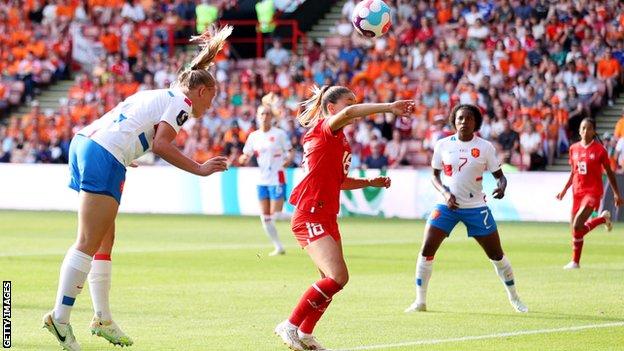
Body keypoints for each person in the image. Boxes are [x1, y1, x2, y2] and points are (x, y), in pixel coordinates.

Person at [42, 26, 233, 351]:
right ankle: (60, 318)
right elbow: (161, 144)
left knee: (104, 238)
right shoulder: (183, 102)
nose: (210, 106)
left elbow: (129, 123)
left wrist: (125, 151)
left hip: (86, 142)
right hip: (105, 153)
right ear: (200, 91)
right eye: (212, 98)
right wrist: (200, 169)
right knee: (87, 241)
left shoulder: (158, 93)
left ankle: (102, 317)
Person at [274, 86, 414, 350]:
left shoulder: (340, 140)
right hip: (310, 212)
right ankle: (290, 325)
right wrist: (388, 107)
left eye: (354, 102)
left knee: (333, 280)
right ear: (331, 109)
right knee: (337, 277)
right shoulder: (325, 128)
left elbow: (338, 181)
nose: (354, 107)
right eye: (349, 102)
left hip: (326, 214)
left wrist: (368, 181)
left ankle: (304, 333)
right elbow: (350, 112)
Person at [405, 104, 528, 314]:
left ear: (476, 123)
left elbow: (500, 177)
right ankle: (420, 301)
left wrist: (501, 187)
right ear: (454, 121)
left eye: (468, 119)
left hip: (476, 207)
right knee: (426, 250)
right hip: (446, 206)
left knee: (497, 256)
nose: (464, 122)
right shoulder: (442, 145)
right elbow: (434, 176)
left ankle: (515, 298)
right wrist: (445, 193)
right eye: (460, 118)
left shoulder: (485, 147)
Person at [556, 118, 622, 269]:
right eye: (583, 128)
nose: (586, 131)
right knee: (575, 229)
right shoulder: (573, 148)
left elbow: (610, 173)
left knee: (578, 222)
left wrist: (616, 193)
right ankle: (602, 220)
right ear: (579, 131)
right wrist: (564, 190)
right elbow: (573, 172)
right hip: (577, 191)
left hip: (593, 192)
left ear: (594, 131)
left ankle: (574, 262)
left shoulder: (600, 150)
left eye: (589, 128)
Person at [239, 97, 295, 256]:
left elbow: (290, 150)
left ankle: (301, 217)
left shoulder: (279, 134)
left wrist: (288, 159)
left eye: (268, 114)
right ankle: (278, 246)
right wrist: (243, 159)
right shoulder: (253, 136)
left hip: (277, 177)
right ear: (257, 116)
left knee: (276, 214)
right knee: (265, 218)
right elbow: (246, 154)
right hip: (262, 180)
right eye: (262, 114)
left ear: (272, 116)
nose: (265, 117)